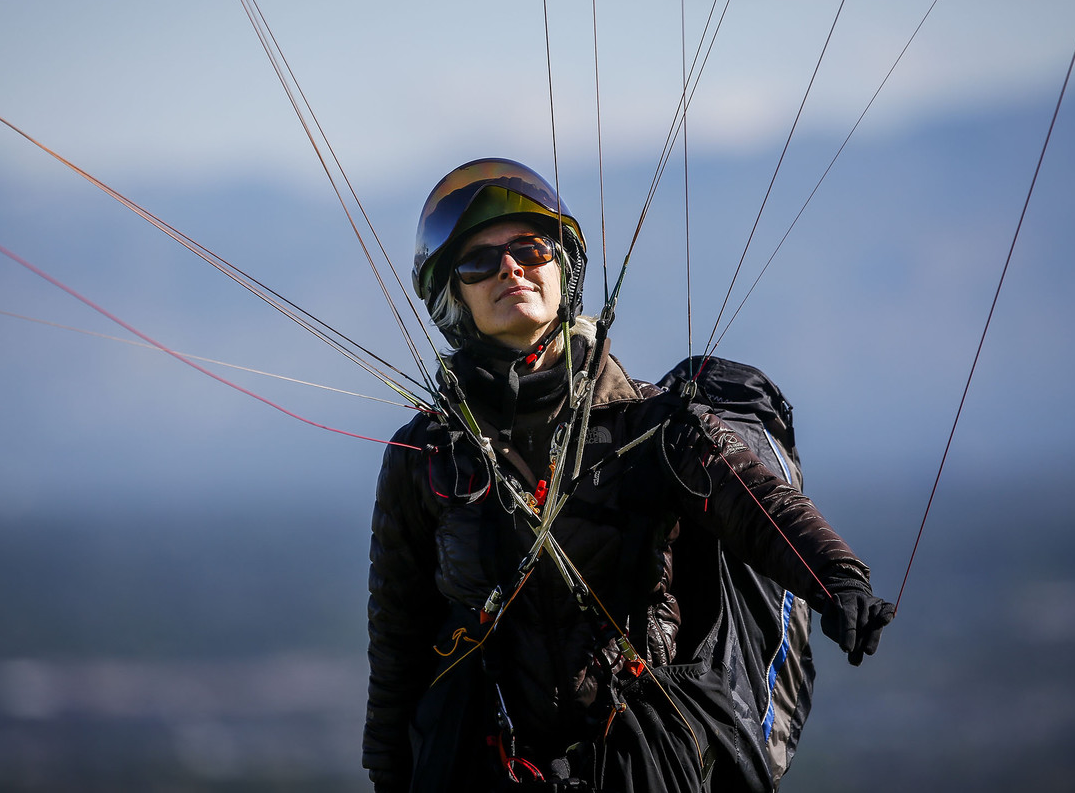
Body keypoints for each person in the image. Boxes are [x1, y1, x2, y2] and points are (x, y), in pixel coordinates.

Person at [364, 158, 894, 792]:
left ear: (564, 268)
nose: (510, 269)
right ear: (455, 296)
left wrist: (838, 580)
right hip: (494, 764)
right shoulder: (426, 457)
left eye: (529, 249)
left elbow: (750, 497)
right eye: (479, 262)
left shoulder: (651, 425)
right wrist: (390, 771)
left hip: (641, 761)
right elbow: (398, 637)